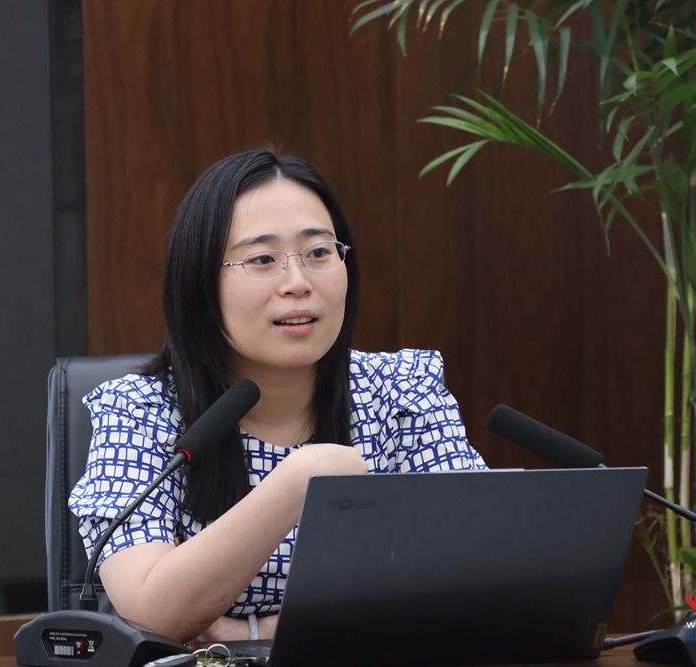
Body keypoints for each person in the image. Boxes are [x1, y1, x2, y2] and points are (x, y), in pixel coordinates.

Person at [68, 147, 486, 644]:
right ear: (200, 282)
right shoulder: (140, 411)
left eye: (319, 253)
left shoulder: (402, 390)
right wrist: (297, 480)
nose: (298, 283)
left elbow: (477, 575)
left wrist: (252, 630)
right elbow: (151, 616)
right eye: (263, 259)